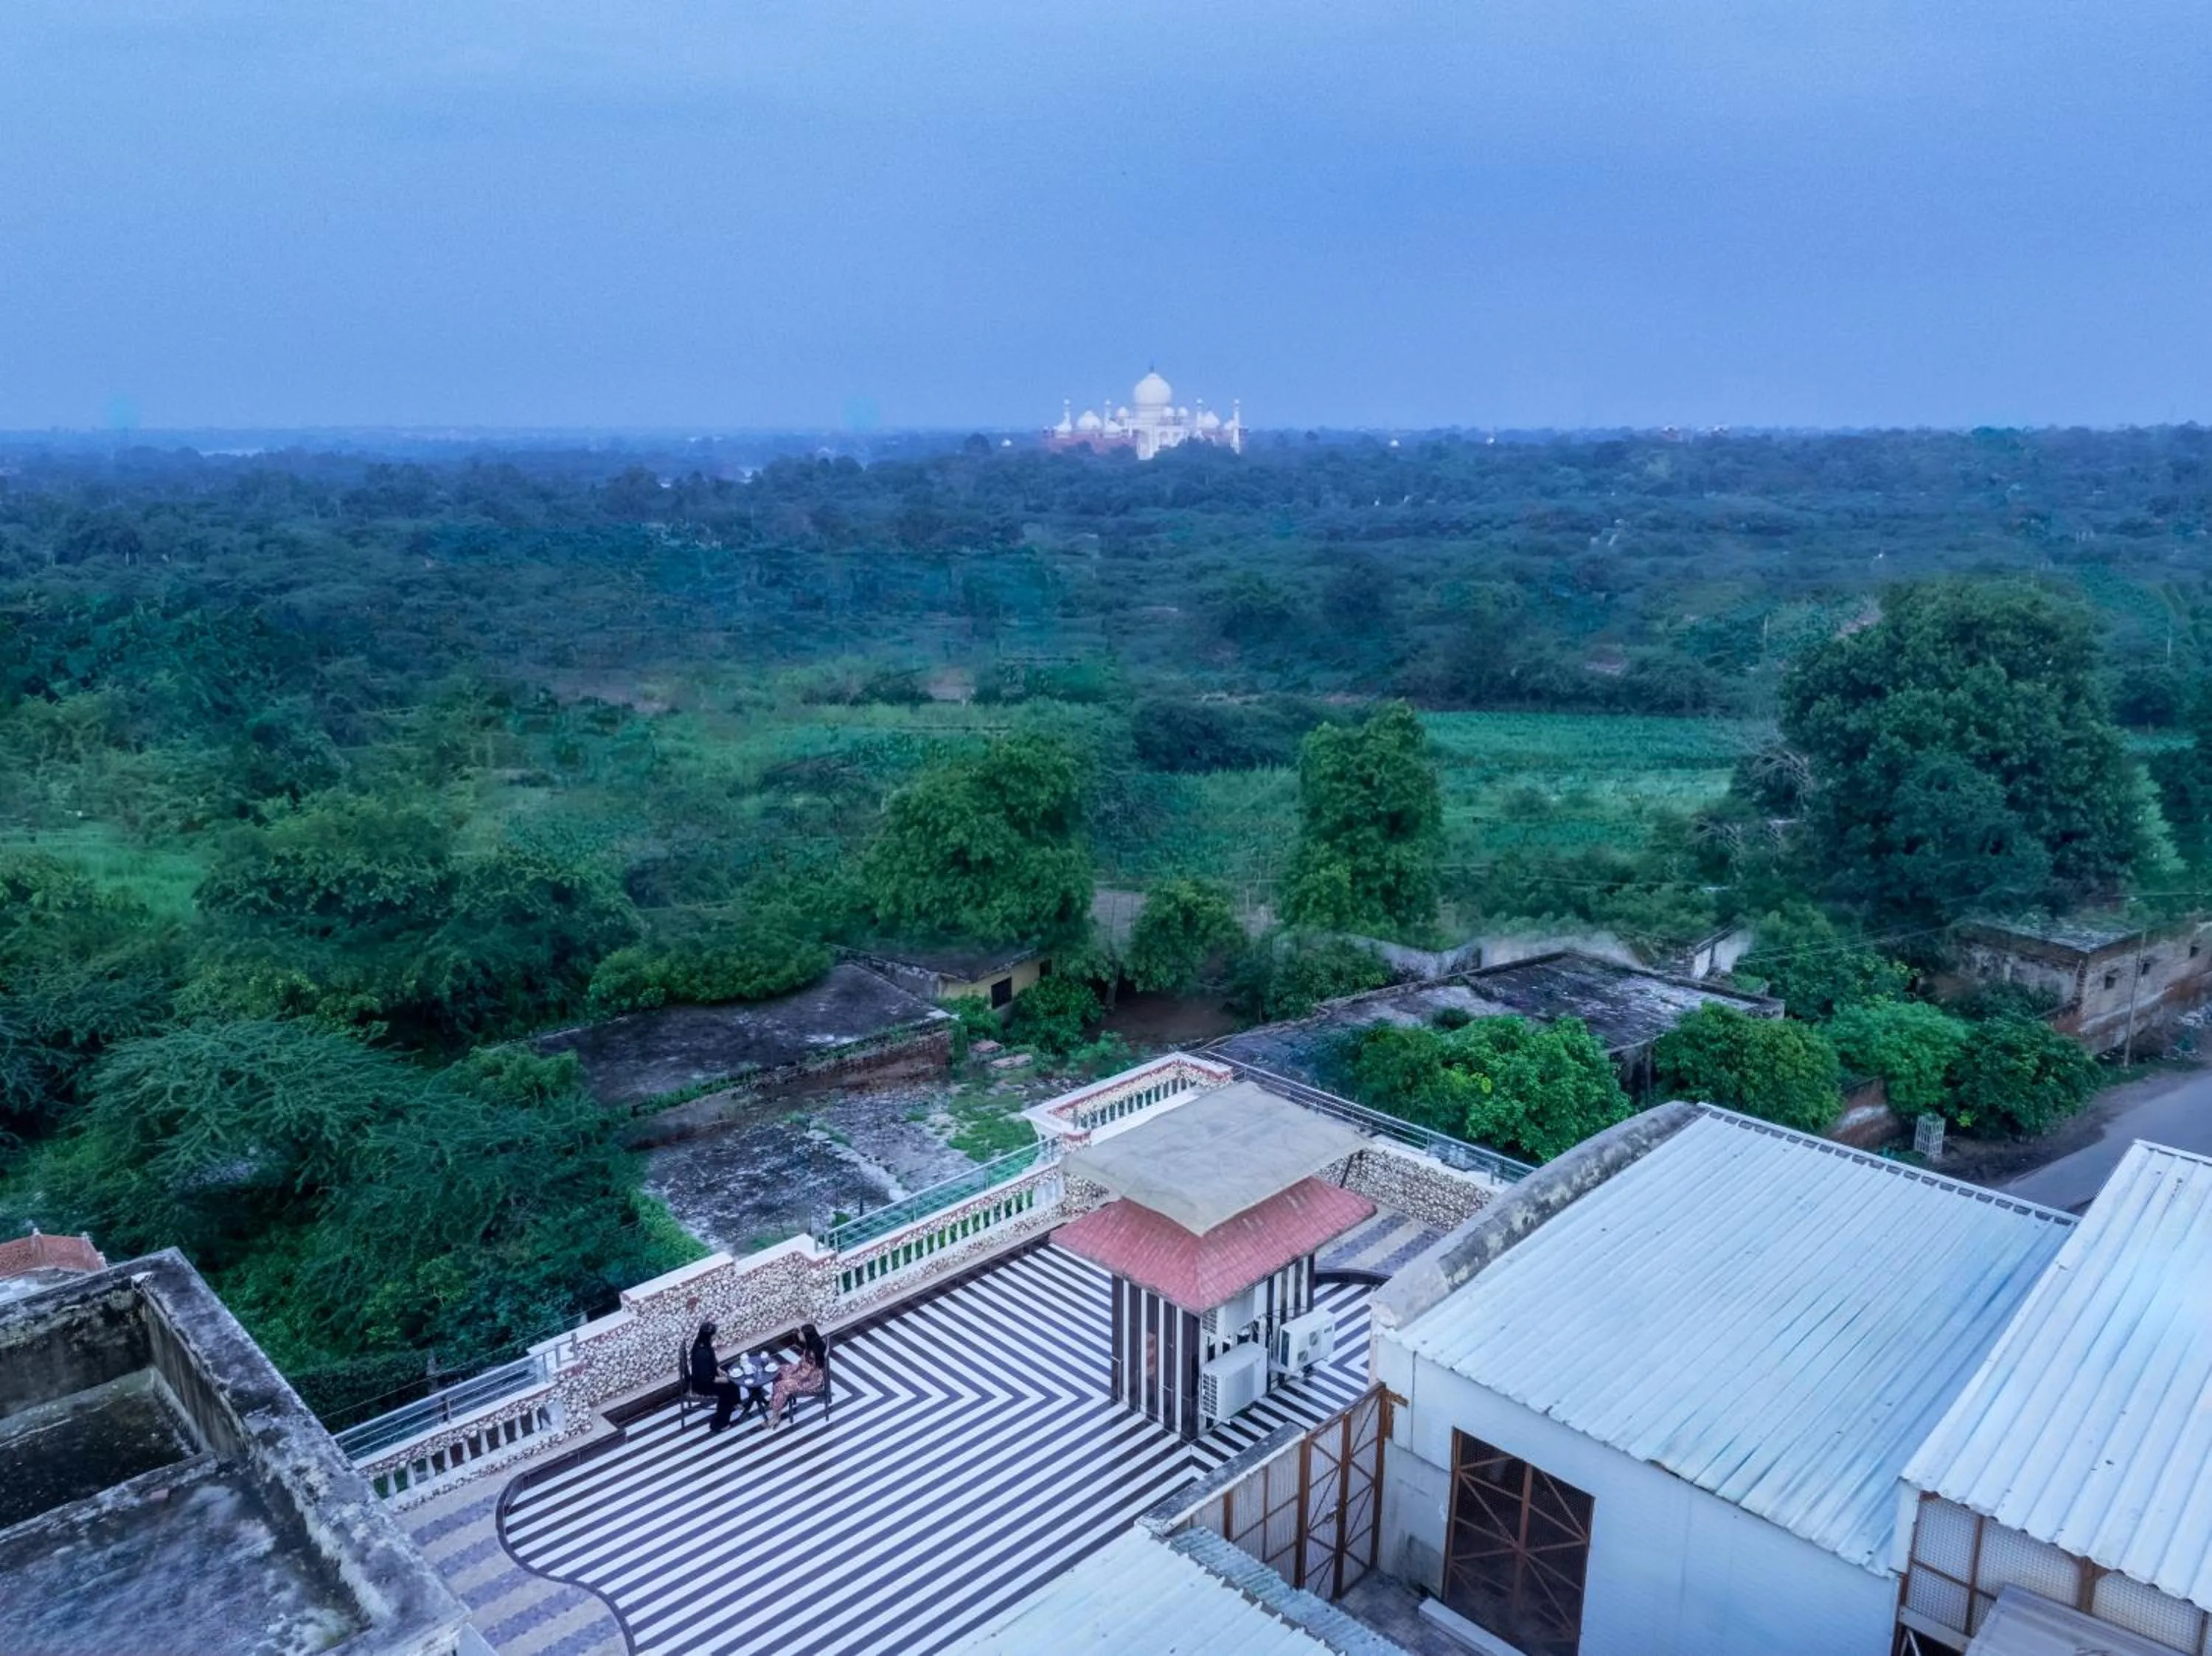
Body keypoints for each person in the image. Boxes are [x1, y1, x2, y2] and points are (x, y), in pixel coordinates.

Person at [766, 1323, 827, 1429]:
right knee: (778, 1370)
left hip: (809, 1381)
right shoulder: (814, 1344)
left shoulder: (811, 1354)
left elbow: (804, 1375)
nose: (799, 1335)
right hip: (803, 1370)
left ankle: (776, 1416)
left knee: (781, 1385)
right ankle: (777, 1399)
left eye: (801, 1334)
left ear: (807, 1336)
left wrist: (789, 1377)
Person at [689, 1321, 744, 1433]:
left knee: (732, 1371)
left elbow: (712, 1360)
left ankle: (735, 1402)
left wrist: (718, 1369)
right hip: (703, 1384)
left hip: (709, 1375)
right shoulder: (702, 1355)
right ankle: (720, 1423)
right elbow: (706, 1379)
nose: (716, 1335)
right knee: (727, 1387)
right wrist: (723, 1379)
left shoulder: (702, 1343)